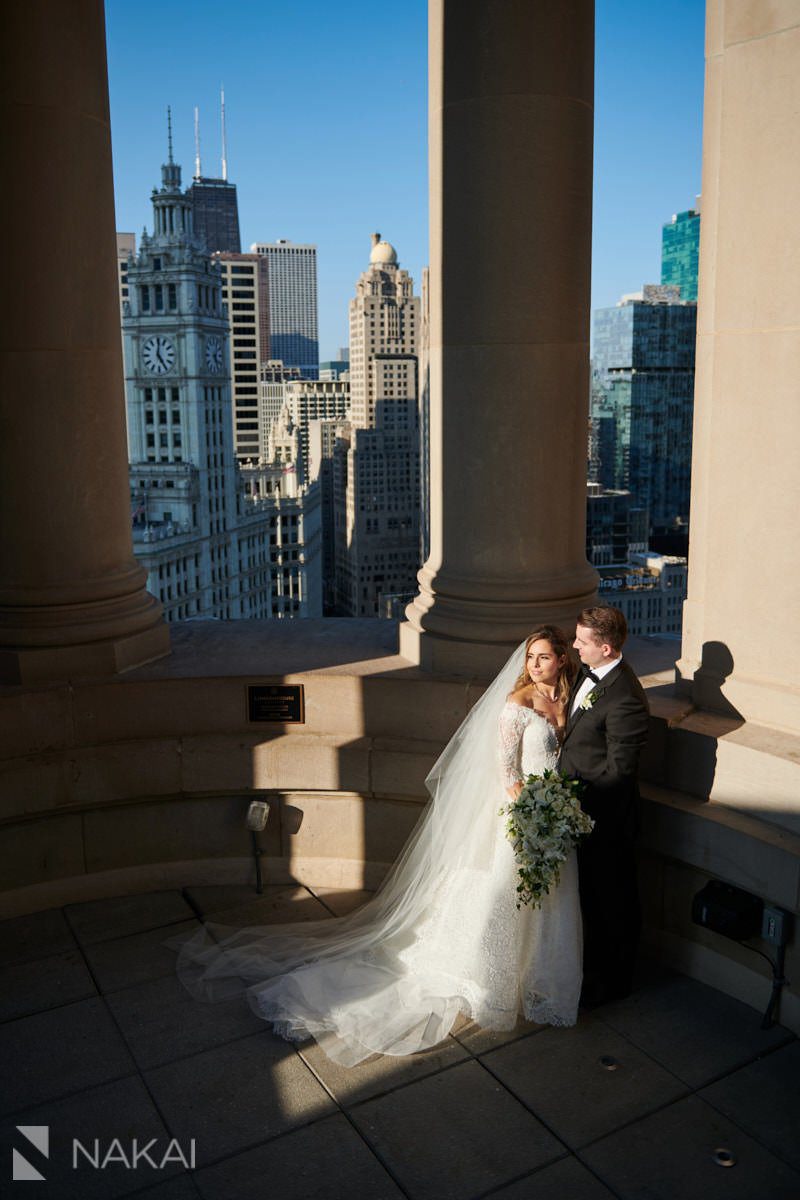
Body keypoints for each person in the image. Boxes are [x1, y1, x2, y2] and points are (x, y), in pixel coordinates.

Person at [174, 626, 583, 1066]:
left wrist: (555, 814)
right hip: (521, 820)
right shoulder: (514, 706)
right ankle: (487, 983)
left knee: (547, 905)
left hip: (551, 818)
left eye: (543, 657)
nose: (534, 665)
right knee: (500, 899)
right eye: (530, 658)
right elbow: (507, 774)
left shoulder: (567, 698)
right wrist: (535, 819)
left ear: (561, 659)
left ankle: (534, 980)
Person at [559, 605, 650, 1007]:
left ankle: (610, 986)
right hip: (579, 812)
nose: (575, 646)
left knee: (609, 906)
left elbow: (619, 774)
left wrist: (579, 814)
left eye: (582, 642)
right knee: (587, 903)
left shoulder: (626, 700)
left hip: (604, 823)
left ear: (607, 648)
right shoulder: (589, 672)